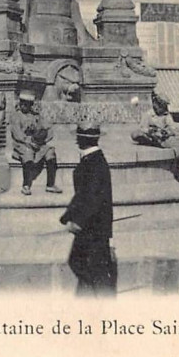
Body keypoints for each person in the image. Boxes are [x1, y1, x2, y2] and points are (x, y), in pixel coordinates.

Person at [60, 124, 116, 295]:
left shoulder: (94, 162)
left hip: (94, 227)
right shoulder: (92, 159)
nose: (76, 139)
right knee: (80, 262)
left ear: (82, 140)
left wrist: (78, 221)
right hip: (91, 226)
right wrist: (68, 216)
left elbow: (92, 197)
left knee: (91, 266)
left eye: (78, 136)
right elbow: (82, 194)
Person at [9, 89, 61, 196]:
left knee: (50, 151)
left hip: (37, 143)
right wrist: (29, 142)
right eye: (23, 103)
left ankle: (50, 184)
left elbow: (47, 128)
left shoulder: (35, 116)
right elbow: (17, 134)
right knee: (28, 154)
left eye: (27, 104)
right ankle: (26, 185)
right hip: (22, 143)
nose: (25, 106)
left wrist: (44, 138)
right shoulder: (16, 116)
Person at [131, 90, 179, 183]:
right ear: (155, 104)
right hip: (151, 137)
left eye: (163, 106)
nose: (161, 109)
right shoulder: (148, 114)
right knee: (136, 134)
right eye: (160, 106)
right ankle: (148, 142)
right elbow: (143, 128)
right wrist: (152, 131)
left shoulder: (166, 115)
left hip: (162, 138)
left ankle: (178, 170)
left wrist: (166, 132)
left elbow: (172, 128)